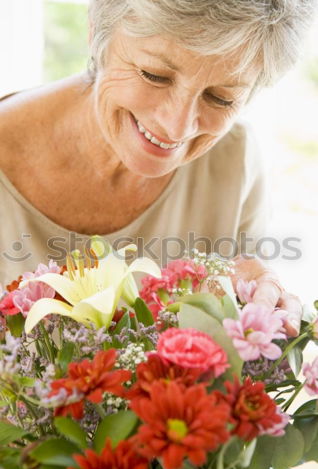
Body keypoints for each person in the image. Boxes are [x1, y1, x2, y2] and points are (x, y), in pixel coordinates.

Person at [0, 0, 315, 336]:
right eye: (155, 75)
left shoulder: (233, 160)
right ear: (96, 35)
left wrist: (264, 304)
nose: (177, 128)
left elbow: (238, 317)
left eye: (220, 98)